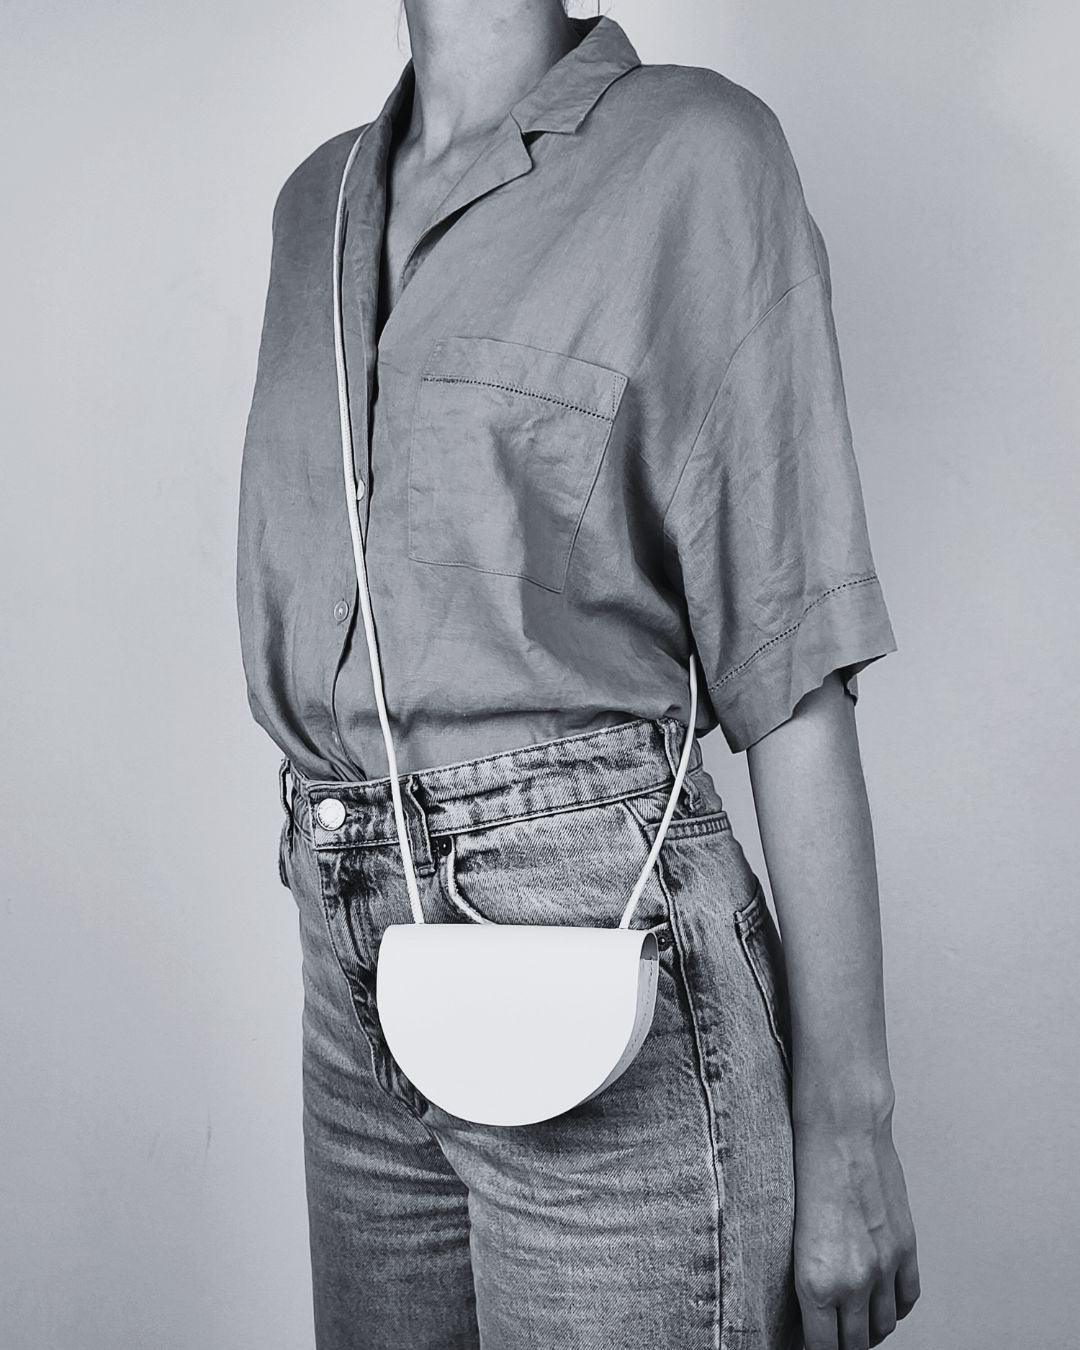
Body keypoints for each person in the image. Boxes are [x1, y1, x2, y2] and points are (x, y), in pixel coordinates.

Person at [236, 4, 920, 1348]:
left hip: (609, 939)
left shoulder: (698, 153)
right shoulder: (317, 205)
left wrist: (852, 1123)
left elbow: (790, 667)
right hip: (349, 957)